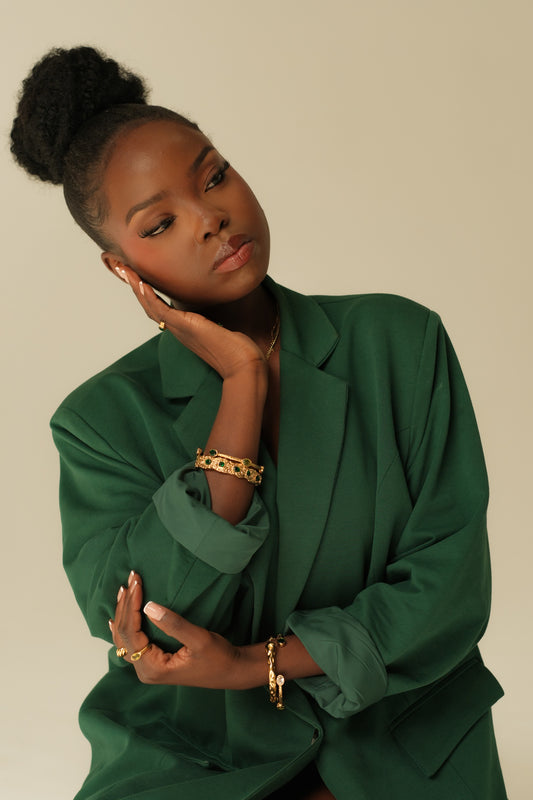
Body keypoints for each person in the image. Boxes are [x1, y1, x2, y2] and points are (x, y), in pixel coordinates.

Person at [11, 46, 507, 800]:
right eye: (160, 223)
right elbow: (145, 626)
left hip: (398, 741)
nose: (212, 218)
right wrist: (241, 386)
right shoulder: (98, 422)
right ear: (123, 268)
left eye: (214, 176)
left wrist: (255, 664)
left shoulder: (398, 343)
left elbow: (448, 587)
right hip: (192, 757)